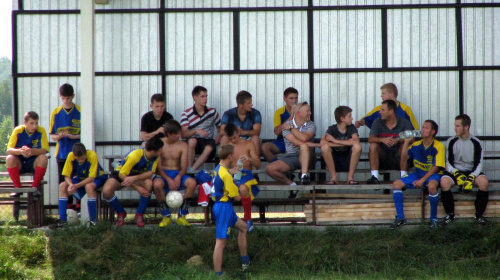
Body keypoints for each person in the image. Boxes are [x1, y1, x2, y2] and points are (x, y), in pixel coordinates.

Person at [390, 120, 444, 229]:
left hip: (432, 175)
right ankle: (401, 218)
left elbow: (436, 167)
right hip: (418, 174)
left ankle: (433, 219)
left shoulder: (438, 146)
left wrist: (422, 180)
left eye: (426, 128)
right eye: (422, 127)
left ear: (433, 131)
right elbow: (404, 158)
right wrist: (406, 142)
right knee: (396, 184)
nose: (422, 129)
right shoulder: (416, 144)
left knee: (432, 186)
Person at [439, 114, 491, 226]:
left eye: (457, 126)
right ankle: (450, 215)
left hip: (471, 171)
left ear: (466, 127)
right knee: (444, 183)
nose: (455, 128)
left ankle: (479, 215)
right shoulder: (451, 141)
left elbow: (479, 163)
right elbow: (447, 162)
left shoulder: (476, 142)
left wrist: (472, 176)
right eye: (455, 125)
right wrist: (456, 173)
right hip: (455, 171)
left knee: (484, 182)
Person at [102, 137, 164, 227]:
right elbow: (121, 174)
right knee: (107, 191)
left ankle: (139, 215)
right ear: (153, 151)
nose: (161, 152)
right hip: (121, 174)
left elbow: (150, 173)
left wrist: (134, 178)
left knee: (149, 184)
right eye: (160, 150)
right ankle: (121, 213)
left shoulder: (155, 157)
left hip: (136, 176)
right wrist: (137, 188)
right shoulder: (134, 156)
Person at [265, 102, 318, 198]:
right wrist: (316, 144)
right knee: (269, 169)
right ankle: (292, 185)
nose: (310, 113)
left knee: (304, 147)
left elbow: (305, 138)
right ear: (299, 113)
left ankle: (304, 176)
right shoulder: (286, 126)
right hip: (292, 156)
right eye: (307, 111)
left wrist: (292, 129)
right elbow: (297, 142)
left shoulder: (311, 124)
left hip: (308, 156)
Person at [212, 145, 250, 277]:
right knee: (221, 242)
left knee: (244, 228)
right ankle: (218, 274)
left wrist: (239, 165)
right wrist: (244, 192)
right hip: (224, 208)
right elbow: (237, 197)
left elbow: (230, 172)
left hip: (221, 206)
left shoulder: (219, 168)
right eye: (233, 154)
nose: (234, 156)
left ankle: (245, 261)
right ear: (229, 156)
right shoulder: (226, 176)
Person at [51, 143, 107, 228]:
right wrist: (71, 185)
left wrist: (76, 186)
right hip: (80, 179)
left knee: (89, 187)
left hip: (97, 178)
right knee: (62, 185)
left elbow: (91, 177)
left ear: (85, 153)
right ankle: (62, 220)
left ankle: (93, 221)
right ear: (74, 155)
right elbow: (66, 175)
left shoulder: (92, 155)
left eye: (83, 158)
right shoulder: (70, 156)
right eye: (78, 159)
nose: (81, 160)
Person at [153, 120, 197, 227]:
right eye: (177, 134)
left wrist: (178, 177)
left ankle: (182, 216)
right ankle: (166, 216)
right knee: (157, 184)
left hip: (178, 173)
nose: (180, 135)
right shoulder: (159, 143)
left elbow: (184, 167)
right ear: (169, 134)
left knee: (192, 183)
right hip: (163, 174)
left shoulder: (183, 145)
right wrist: (168, 179)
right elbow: (157, 168)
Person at [50, 83, 81, 209]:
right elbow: (53, 135)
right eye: (63, 98)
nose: (66, 101)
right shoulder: (56, 113)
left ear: (73, 96)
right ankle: (67, 208)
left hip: (77, 153)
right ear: (60, 97)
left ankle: (79, 205)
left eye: (68, 98)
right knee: (63, 181)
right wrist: (60, 136)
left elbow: (86, 133)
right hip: (62, 153)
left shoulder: (80, 111)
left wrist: (73, 136)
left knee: (77, 178)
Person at [366, 100, 413, 184]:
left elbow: (411, 139)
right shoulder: (377, 122)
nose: (380, 112)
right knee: (373, 145)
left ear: (391, 111)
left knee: (404, 146)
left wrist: (398, 140)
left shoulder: (404, 122)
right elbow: (370, 138)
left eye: (382, 110)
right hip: (381, 158)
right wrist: (382, 139)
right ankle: (374, 177)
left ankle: (403, 178)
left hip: (397, 158)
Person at [225, 123, 261, 232]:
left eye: (235, 138)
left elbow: (259, 164)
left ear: (238, 133)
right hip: (233, 174)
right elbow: (223, 166)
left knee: (243, 188)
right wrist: (230, 170)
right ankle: (228, 220)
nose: (233, 141)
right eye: (231, 139)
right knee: (224, 189)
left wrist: (249, 159)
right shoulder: (227, 147)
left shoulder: (248, 144)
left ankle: (248, 220)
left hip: (246, 174)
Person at [6, 111, 49, 198]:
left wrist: (31, 151)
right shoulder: (18, 130)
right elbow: (9, 150)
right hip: (20, 162)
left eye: (36, 123)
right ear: (25, 123)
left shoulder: (41, 130)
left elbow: (45, 150)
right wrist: (21, 151)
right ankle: (18, 189)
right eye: (31, 123)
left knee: (43, 158)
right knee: (9, 158)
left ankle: (35, 188)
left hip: (33, 162)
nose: (34, 126)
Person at [180, 86, 221, 172]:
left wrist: (218, 136)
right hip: (193, 140)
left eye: (206, 96)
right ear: (195, 97)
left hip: (207, 140)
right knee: (192, 141)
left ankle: (191, 170)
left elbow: (220, 127)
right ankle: (190, 168)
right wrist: (196, 131)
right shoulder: (186, 113)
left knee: (209, 147)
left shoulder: (212, 111)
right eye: (202, 96)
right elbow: (183, 134)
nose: (205, 99)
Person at [320, 106, 362, 185]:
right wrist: (345, 142)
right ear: (342, 119)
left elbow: (356, 141)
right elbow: (322, 142)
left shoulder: (351, 128)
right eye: (349, 116)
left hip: (348, 159)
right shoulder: (332, 129)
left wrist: (335, 141)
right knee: (324, 147)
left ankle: (350, 178)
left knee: (357, 146)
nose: (352, 118)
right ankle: (333, 177)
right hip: (335, 159)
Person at [355, 82, 419, 130]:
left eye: (383, 93)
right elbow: (366, 119)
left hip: (401, 141)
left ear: (391, 94)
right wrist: (359, 123)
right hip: (383, 141)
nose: (381, 95)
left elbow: (415, 128)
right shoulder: (378, 109)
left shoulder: (405, 109)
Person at [261, 87, 299, 163]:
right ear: (284, 99)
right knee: (264, 147)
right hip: (283, 140)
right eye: (291, 98)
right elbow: (277, 132)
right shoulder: (279, 112)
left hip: (298, 140)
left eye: (296, 98)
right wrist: (290, 117)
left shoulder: (302, 110)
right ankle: (278, 167)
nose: (294, 101)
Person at [220, 90, 262, 156]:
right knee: (224, 138)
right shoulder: (228, 114)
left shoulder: (255, 113)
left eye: (251, 102)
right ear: (240, 105)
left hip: (248, 140)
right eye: (248, 103)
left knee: (255, 138)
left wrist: (243, 132)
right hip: (233, 139)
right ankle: (223, 165)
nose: (252, 104)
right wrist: (233, 131)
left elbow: (257, 132)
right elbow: (221, 131)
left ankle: (255, 165)